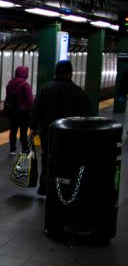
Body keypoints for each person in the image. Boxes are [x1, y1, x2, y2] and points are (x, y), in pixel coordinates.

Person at [30, 60, 95, 196]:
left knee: (46, 157)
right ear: (71, 74)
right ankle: (64, 188)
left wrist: (33, 127)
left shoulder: (45, 89)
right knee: (68, 160)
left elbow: (35, 110)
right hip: (70, 135)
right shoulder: (78, 92)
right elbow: (89, 114)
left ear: (55, 73)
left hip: (49, 133)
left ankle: (44, 186)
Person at [5, 65, 34, 155]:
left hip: (12, 111)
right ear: (25, 74)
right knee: (23, 132)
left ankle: (12, 150)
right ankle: (24, 149)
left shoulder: (10, 83)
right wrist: (32, 111)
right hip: (23, 113)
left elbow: (8, 96)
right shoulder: (26, 85)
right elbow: (30, 100)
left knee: (13, 131)